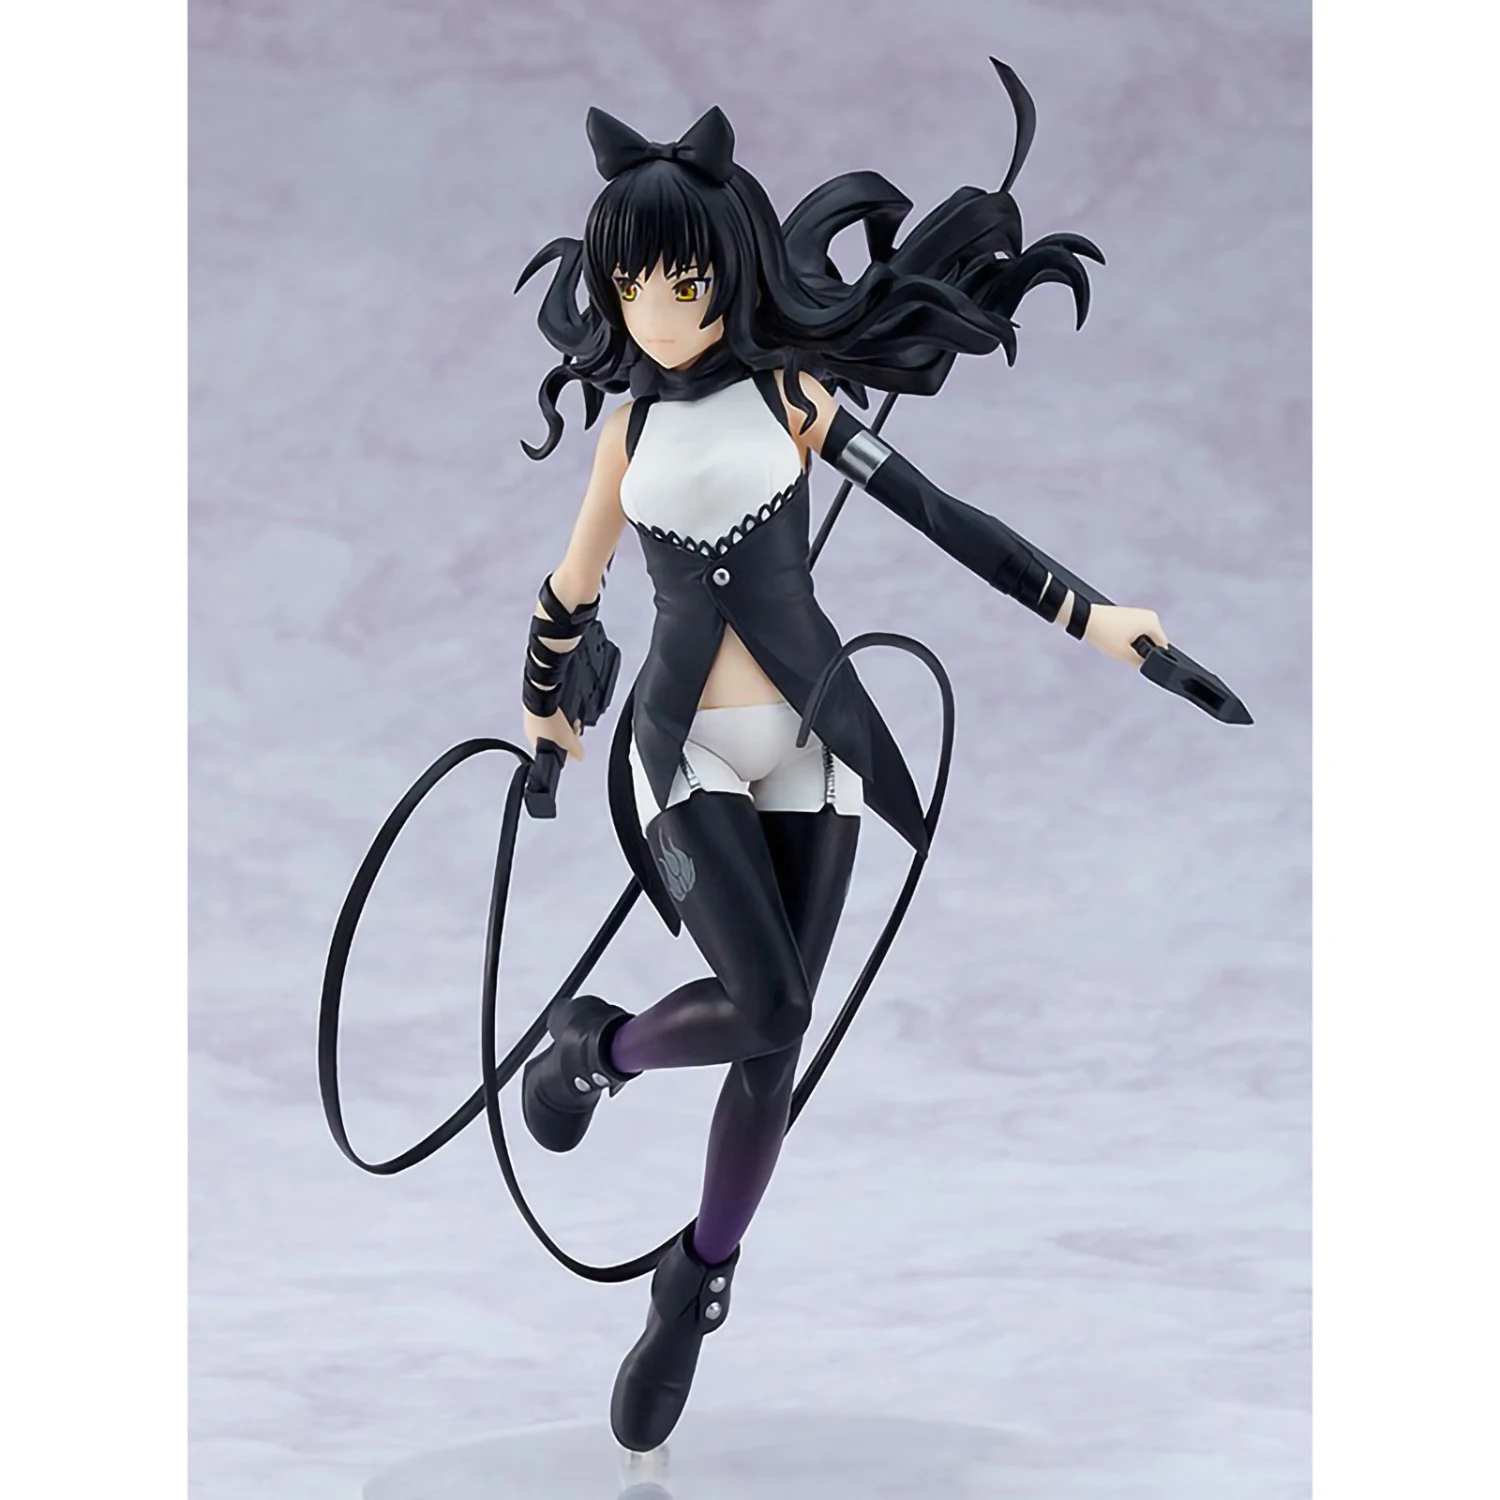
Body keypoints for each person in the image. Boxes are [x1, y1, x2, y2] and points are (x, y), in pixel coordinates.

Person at [512, 62, 1168, 1454]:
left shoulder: (796, 399)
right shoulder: (629, 432)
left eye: (682, 283)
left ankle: (696, 1282)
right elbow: (571, 590)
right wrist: (547, 720)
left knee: (778, 1037)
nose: (656, 311)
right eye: (632, 287)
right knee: (759, 1004)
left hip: (816, 742)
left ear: (727, 270)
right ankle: (596, 1048)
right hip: (686, 751)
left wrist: (1096, 619)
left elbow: (943, 515)